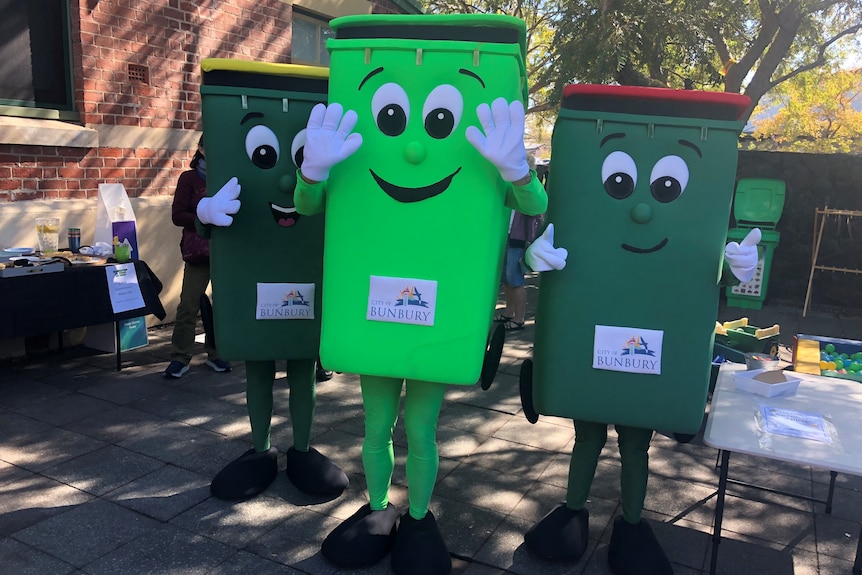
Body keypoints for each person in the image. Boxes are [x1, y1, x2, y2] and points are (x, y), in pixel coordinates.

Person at [164, 136, 231, 378]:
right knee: (188, 306)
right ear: (201, 149)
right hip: (199, 253)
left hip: (225, 252)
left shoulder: (229, 176)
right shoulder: (189, 178)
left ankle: (217, 354)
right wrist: (204, 216)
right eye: (209, 147)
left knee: (224, 308)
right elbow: (177, 215)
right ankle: (180, 357)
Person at [496, 155, 543, 331]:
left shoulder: (529, 190)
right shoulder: (509, 186)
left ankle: (519, 318)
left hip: (518, 238)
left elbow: (536, 212)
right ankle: (509, 312)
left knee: (515, 279)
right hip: (506, 236)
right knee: (507, 279)